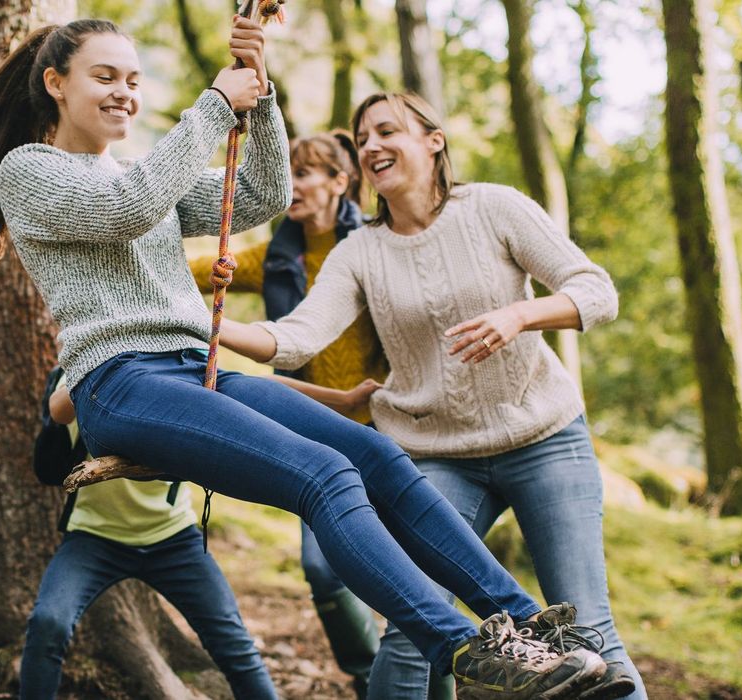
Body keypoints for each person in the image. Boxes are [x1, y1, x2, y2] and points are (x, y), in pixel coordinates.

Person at [0, 16, 609, 700]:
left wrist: (263, 94)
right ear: (55, 84)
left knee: (379, 461)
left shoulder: (139, 173)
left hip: (200, 370)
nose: (125, 92)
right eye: (105, 77)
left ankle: (527, 624)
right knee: (325, 476)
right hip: (123, 382)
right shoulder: (31, 171)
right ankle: (461, 647)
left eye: (133, 79)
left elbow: (261, 195)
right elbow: (128, 207)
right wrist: (216, 104)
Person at [213, 92, 645, 700]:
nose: (371, 147)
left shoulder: (494, 208)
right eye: (363, 139)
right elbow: (295, 336)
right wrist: (205, 326)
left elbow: (595, 291)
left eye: (387, 131)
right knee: (413, 632)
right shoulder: (359, 251)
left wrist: (520, 315)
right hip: (434, 453)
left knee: (585, 624)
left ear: (433, 140)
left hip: (545, 439)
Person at [189, 130, 405, 699]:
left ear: (341, 182)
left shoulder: (376, 246)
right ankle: (366, 675)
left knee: (404, 564)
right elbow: (187, 269)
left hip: (389, 422)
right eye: (290, 171)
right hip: (317, 428)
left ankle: (421, 676)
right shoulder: (276, 254)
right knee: (321, 566)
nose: (294, 185)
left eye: (306, 173)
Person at [21, 369, 277, 699]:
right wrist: (91, 359)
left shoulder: (175, 370)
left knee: (234, 643)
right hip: (93, 537)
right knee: (48, 623)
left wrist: (341, 399)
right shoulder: (79, 371)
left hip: (173, 538)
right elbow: (59, 409)